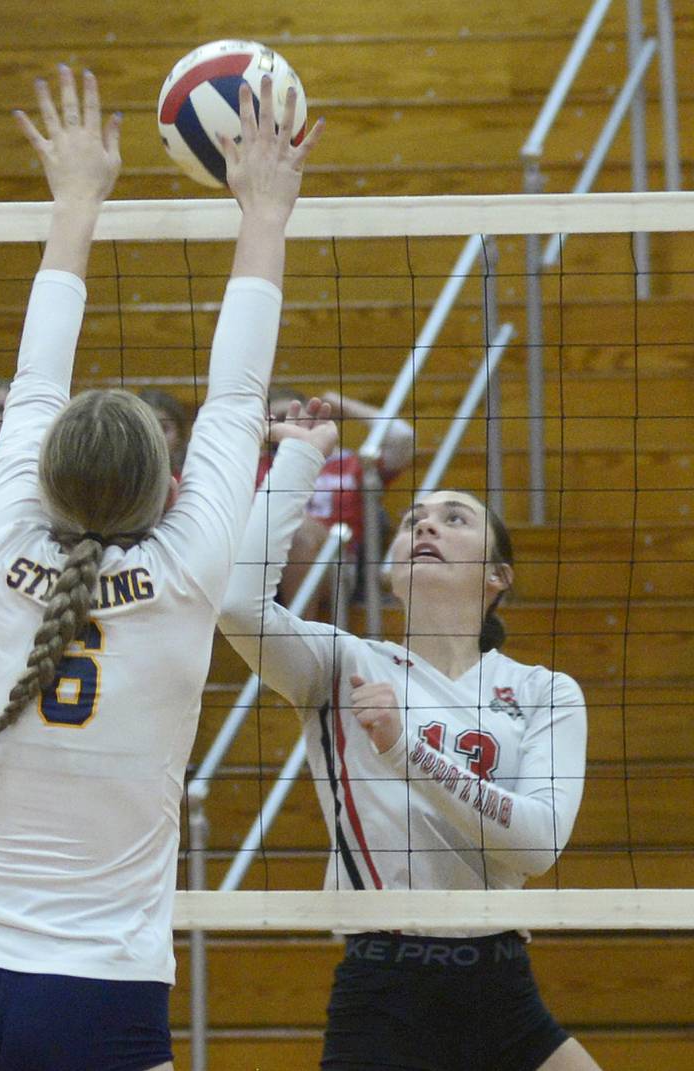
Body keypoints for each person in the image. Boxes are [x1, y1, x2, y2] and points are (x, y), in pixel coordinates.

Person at [0, 67, 323, 1071]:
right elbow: (238, 389)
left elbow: (40, 374)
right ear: (170, 484)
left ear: (37, 475)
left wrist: (75, 198)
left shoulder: (2, 544)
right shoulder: (186, 572)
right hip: (93, 992)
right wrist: (266, 207)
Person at [218, 397, 601, 1071]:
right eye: (415, 520)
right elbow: (237, 607)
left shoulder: (546, 691)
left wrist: (405, 749)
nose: (426, 525)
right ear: (392, 572)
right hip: (387, 988)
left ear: (497, 576)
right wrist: (303, 454)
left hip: (502, 988)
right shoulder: (343, 664)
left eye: (454, 519)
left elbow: (538, 842)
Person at [259, 387, 414, 619]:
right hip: (262, 563)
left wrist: (347, 406)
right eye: (277, 420)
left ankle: (300, 633)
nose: (286, 425)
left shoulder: (352, 463)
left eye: (292, 416)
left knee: (299, 527)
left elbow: (402, 438)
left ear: (311, 416)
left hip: (335, 570)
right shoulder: (254, 465)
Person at [138, 387, 190, 477]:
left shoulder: (190, 483)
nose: (156, 437)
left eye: (164, 428)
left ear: (179, 436)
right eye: (147, 428)